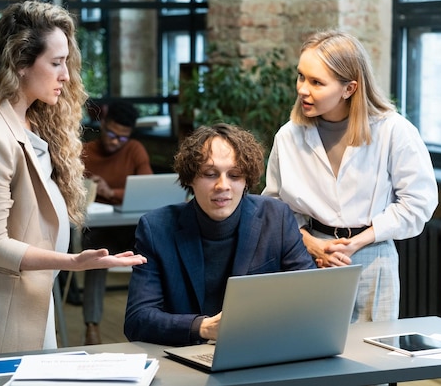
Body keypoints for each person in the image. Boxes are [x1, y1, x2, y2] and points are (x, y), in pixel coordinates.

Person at [0, 0, 146, 362]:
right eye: (56, 63)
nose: (66, 75)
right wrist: (73, 262)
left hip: (26, 305)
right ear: (20, 63)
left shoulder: (27, 123)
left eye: (66, 61)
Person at [262, 30, 438, 323]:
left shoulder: (394, 131)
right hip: (307, 259)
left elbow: (419, 203)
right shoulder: (288, 136)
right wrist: (311, 244)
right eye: (301, 77)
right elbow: (276, 210)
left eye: (317, 82)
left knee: (371, 358)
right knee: (309, 355)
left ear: (349, 88)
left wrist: (358, 241)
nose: (303, 89)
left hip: (373, 258)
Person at [124, 123, 316, 346]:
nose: (222, 185)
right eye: (209, 174)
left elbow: (308, 297)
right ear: (190, 178)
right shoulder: (157, 227)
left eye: (234, 175)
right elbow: (137, 320)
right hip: (185, 356)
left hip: (258, 349)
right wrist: (203, 328)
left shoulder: (276, 218)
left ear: (246, 181)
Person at [80, 101, 153, 345]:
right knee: (95, 257)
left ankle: (152, 318)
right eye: (111, 134)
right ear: (103, 124)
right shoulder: (86, 151)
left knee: (156, 252)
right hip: (100, 228)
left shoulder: (134, 150)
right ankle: (92, 326)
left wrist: (111, 192)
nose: (114, 141)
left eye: (122, 138)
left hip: (131, 227)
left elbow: (146, 188)